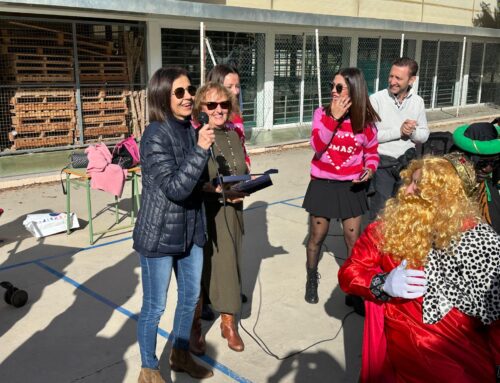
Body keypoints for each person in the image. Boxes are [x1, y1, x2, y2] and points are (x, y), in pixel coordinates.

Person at [338, 154, 500, 383]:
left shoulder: (476, 237)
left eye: (418, 186)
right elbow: (349, 273)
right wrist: (382, 283)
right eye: (409, 182)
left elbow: (495, 314)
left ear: (443, 197)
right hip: (409, 343)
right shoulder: (385, 229)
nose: (405, 191)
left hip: (465, 347)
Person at [133, 67, 214, 383]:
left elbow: (193, 182)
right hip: (160, 234)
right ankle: (148, 368)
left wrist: (219, 186)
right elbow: (175, 189)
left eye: (189, 90)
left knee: (190, 297)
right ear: (162, 96)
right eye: (179, 92)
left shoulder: (190, 129)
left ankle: (180, 355)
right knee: (155, 306)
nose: (188, 97)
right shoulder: (155, 134)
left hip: (191, 230)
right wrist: (202, 149)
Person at [302, 67, 380, 305]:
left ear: (354, 91)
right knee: (317, 236)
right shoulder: (321, 113)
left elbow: (372, 154)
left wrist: (369, 171)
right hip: (323, 184)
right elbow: (317, 145)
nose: (333, 92)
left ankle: (353, 285)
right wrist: (333, 118)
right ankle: (311, 277)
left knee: (352, 239)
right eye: (332, 86)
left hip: (351, 187)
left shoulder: (366, 122)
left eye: (339, 88)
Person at [190, 82, 249, 353]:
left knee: (229, 267)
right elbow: (190, 181)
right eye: (211, 105)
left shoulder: (234, 136)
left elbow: (240, 169)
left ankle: (228, 323)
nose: (219, 110)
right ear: (201, 108)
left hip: (232, 211)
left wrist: (249, 183)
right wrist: (219, 191)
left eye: (224, 104)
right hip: (206, 212)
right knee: (201, 271)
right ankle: (194, 328)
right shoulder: (196, 137)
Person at [368, 57, 429, 221]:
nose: (392, 81)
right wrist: (399, 131)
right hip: (382, 165)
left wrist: (412, 132)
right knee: (380, 215)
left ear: (412, 80)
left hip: (407, 165)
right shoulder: (376, 100)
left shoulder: (418, 102)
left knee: (403, 214)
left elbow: (424, 135)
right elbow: (369, 137)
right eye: (391, 76)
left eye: (398, 78)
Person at [452, 120, 500, 234]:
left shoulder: (490, 186)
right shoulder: (447, 186)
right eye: (481, 163)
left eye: (494, 163)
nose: (487, 169)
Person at [207, 64, 250, 170]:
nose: (235, 91)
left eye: (237, 86)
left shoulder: (237, 115)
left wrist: (246, 162)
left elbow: (241, 146)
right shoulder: (205, 118)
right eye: (229, 87)